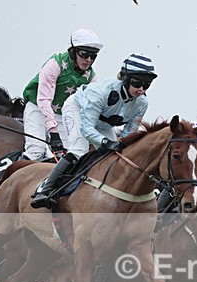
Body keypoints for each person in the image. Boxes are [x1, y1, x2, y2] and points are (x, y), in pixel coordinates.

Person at [30, 53, 156, 209]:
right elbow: (87, 128)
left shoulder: (142, 103)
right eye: (137, 83)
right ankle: (45, 190)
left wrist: (119, 145)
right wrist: (105, 142)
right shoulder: (101, 92)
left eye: (147, 85)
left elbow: (129, 133)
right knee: (79, 150)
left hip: (103, 124)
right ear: (125, 78)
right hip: (77, 110)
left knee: (115, 156)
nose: (141, 89)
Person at [21, 28, 103, 162]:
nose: (89, 60)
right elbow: (44, 100)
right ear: (73, 51)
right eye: (84, 54)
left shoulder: (91, 78)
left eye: (93, 56)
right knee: (37, 150)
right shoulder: (55, 64)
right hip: (38, 108)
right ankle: (11, 177)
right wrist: (53, 133)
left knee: (66, 157)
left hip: (61, 115)